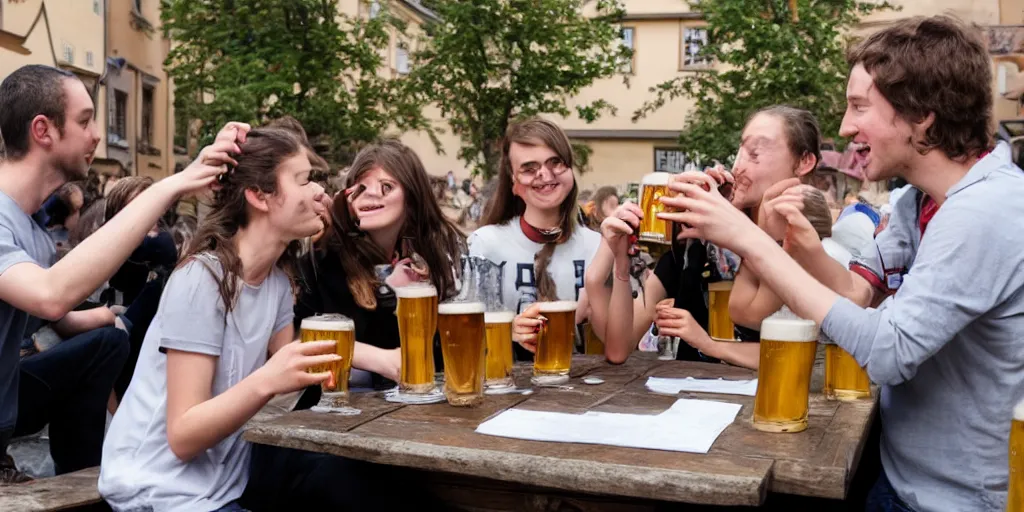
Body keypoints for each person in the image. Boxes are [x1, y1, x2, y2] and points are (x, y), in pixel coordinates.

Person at [660, 16, 1024, 511]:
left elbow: (888, 351)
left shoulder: (985, 210)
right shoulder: (919, 202)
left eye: (859, 107)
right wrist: (796, 244)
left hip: (955, 499)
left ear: (922, 115)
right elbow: (854, 295)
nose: (845, 127)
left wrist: (749, 238)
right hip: (898, 474)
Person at [100, 127, 392, 511]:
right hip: (157, 492)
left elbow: (294, 363)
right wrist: (268, 380)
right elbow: (183, 434)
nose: (319, 192)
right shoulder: (201, 280)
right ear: (259, 195)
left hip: (223, 485)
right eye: (304, 180)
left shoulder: (274, 282)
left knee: (363, 483)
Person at [0, 64, 230, 482]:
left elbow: (57, 315)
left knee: (106, 343)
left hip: (8, 402)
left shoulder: (29, 227)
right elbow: (50, 295)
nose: (97, 136)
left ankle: (89, 484)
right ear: (42, 130)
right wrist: (168, 186)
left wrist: (107, 317)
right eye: (85, 122)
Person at [586, 105, 822, 369]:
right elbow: (618, 347)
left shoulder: (810, 241)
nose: (738, 166)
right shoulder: (699, 242)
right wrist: (616, 255)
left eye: (754, 154)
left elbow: (798, 357)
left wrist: (709, 343)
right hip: (690, 401)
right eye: (739, 151)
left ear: (804, 162)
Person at [295, 139, 465, 391]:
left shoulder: (430, 259)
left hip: (408, 409)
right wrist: (379, 358)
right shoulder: (322, 258)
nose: (371, 194)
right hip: (331, 409)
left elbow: (442, 352)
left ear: (411, 199)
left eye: (386, 186)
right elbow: (294, 338)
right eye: (360, 188)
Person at [469, 118, 601, 358]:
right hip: (509, 386)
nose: (544, 174)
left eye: (556, 162)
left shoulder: (597, 246)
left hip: (584, 385)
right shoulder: (486, 243)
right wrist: (508, 330)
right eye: (529, 168)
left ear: (570, 169)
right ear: (512, 180)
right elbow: (464, 333)